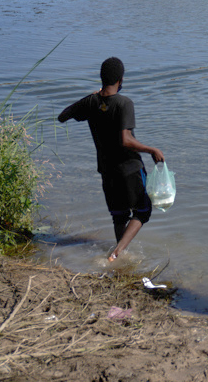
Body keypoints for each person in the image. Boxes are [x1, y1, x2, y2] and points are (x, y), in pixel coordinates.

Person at [58, 57, 165, 262]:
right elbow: (126, 140)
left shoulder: (91, 101)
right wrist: (151, 149)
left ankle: (120, 254)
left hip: (107, 170)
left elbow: (62, 116)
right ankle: (116, 253)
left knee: (119, 215)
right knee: (143, 211)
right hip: (129, 168)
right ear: (121, 79)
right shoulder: (124, 103)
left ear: (101, 77)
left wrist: (91, 100)